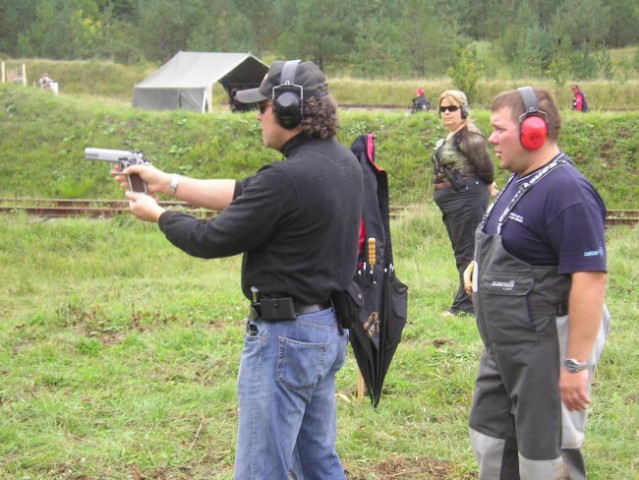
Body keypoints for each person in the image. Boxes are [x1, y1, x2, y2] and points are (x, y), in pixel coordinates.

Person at [114, 60, 364, 480]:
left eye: (262, 106)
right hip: (325, 328)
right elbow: (244, 193)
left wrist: (159, 216)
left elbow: (211, 239)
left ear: (288, 109)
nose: (258, 116)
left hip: (286, 337)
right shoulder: (340, 162)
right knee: (318, 461)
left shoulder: (287, 179)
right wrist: (166, 181)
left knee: (260, 470)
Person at [465, 86, 609, 479]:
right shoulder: (518, 179)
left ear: (534, 130)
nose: (489, 138)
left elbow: (590, 280)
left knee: (545, 461)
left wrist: (575, 365)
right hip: (503, 349)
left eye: (498, 129)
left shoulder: (568, 192)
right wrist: (481, 268)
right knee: (491, 443)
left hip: (542, 352)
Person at [432, 89, 494, 317]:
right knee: (463, 251)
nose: (446, 113)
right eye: (443, 109)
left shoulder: (469, 136)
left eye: (452, 108)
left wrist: (488, 184)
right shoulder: (453, 135)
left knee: (468, 251)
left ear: (464, 110)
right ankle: (470, 300)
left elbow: (485, 167)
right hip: (455, 201)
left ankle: (465, 305)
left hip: (467, 198)